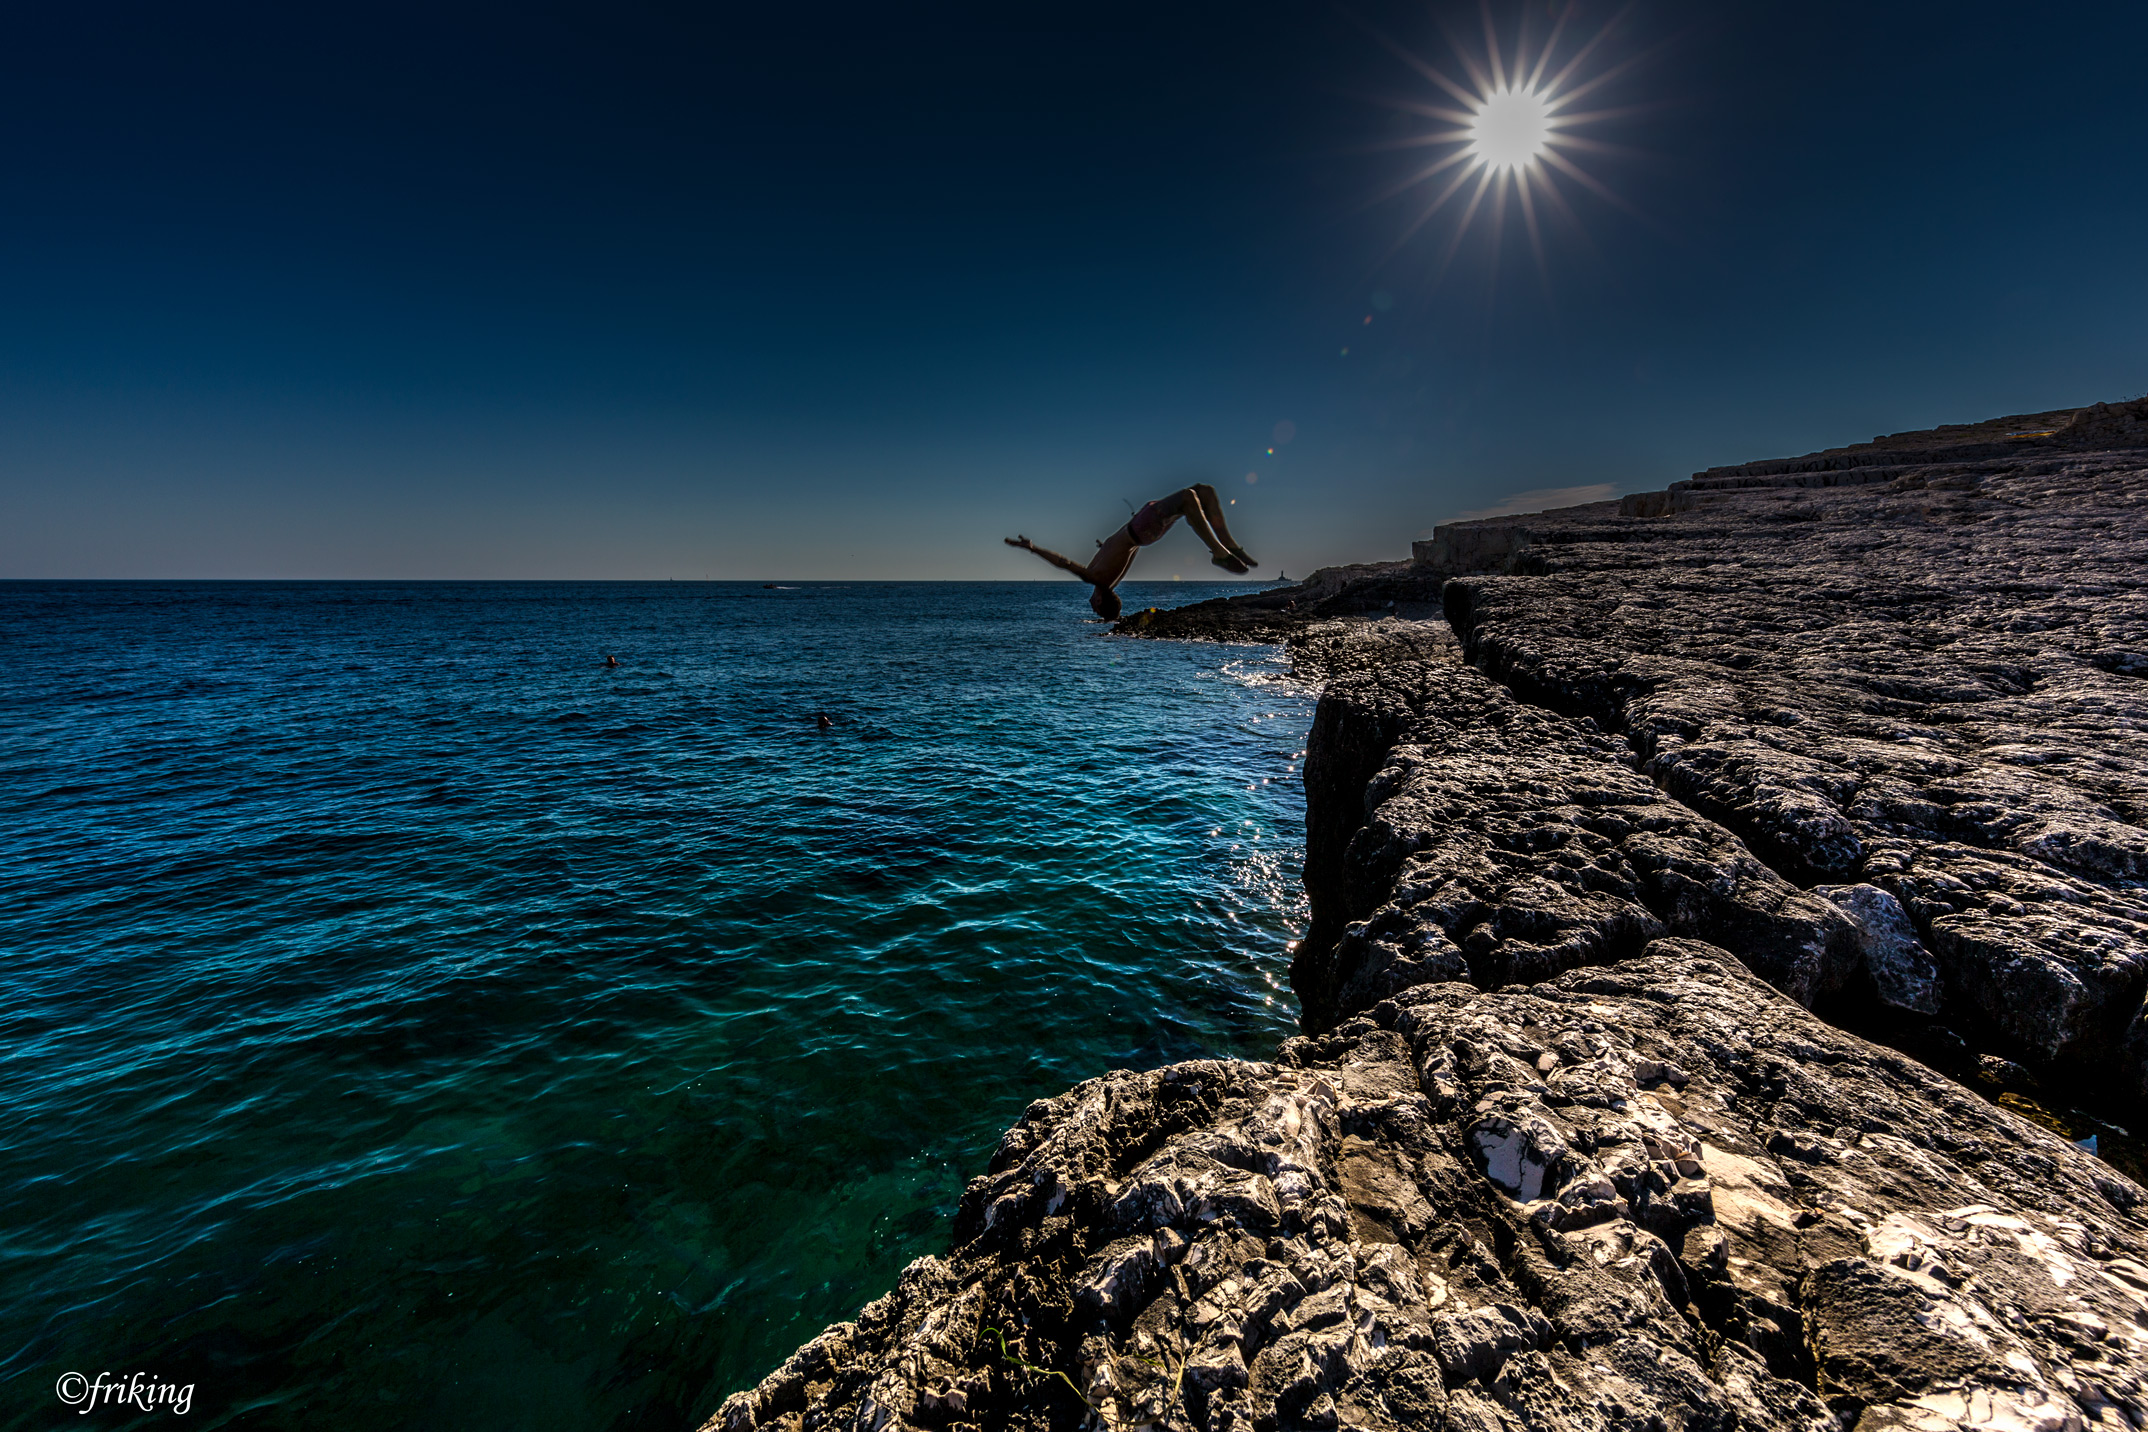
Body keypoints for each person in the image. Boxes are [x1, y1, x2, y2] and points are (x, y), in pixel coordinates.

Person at [1005, 484, 1256, 620]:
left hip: (1143, 533)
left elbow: (1127, 553)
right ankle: (1219, 551)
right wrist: (1032, 548)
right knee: (1190, 497)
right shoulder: (1100, 579)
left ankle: (1229, 547)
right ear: (1102, 601)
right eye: (1094, 608)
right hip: (1141, 529)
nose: (1090, 604)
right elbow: (1063, 562)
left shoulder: (1107, 577)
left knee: (1203, 493)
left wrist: (1108, 547)